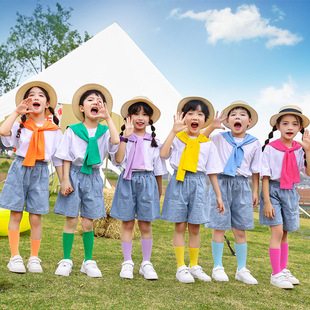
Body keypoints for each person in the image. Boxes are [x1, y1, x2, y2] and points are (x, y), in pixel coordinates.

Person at [53, 83, 120, 278]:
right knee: (71, 219)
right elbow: (65, 157)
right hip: (73, 173)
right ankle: (66, 259)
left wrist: (107, 118)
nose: (95, 103)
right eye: (90, 100)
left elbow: (116, 142)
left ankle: (88, 261)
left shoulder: (105, 132)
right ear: (82, 107)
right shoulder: (72, 130)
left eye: (100, 101)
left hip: (93, 177)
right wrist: (64, 180)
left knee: (89, 222)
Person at [0, 81, 63, 274]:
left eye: (40, 96)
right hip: (19, 168)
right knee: (16, 213)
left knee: (36, 217)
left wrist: (64, 181)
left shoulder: (55, 131)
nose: (36, 97)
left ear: (47, 104)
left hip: (41, 171)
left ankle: (34, 257)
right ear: (27, 102)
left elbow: (59, 158)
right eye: (31, 95)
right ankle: (15, 256)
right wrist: (16, 112)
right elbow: (3, 131)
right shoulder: (21, 125)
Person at [160, 97, 224, 284]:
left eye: (200, 114)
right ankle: (181, 266)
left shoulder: (207, 143)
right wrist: (173, 131)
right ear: (183, 117)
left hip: (198, 183)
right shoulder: (178, 138)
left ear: (205, 120)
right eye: (190, 113)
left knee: (195, 227)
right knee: (180, 226)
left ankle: (194, 265)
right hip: (179, 181)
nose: (195, 117)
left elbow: (212, 172)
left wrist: (218, 196)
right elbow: (163, 154)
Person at [202, 100, 261, 285]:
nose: (238, 117)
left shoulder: (255, 143)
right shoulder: (219, 138)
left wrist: (255, 190)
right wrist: (212, 126)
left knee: (240, 228)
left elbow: (256, 170)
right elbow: (200, 139)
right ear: (227, 121)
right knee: (219, 226)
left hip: (242, 185)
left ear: (249, 121)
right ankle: (217, 267)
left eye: (242, 115)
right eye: (233, 114)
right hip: (220, 182)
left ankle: (241, 269)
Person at [110, 96, 166, 280]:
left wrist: (159, 191)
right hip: (127, 180)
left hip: (148, 182)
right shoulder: (124, 139)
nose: (140, 118)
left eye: (144, 114)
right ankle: (127, 262)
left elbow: (158, 169)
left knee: (145, 224)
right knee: (127, 223)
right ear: (129, 117)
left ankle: (146, 263)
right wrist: (124, 138)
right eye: (136, 114)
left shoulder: (154, 141)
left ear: (150, 119)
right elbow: (118, 160)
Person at [260, 105, 310, 289]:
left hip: (290, 191)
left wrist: (308, 151)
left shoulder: (300, 149)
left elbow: (309, 172)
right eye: (285, 123)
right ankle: (275, 274)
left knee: (285, 232)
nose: (290, 127)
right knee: (277, 231)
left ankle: (282, 269)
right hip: (273, 190)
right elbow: (265, 177)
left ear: (299, 128)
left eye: (295, 124)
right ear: (278, 126)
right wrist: (266, 201)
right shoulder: (270, 148)